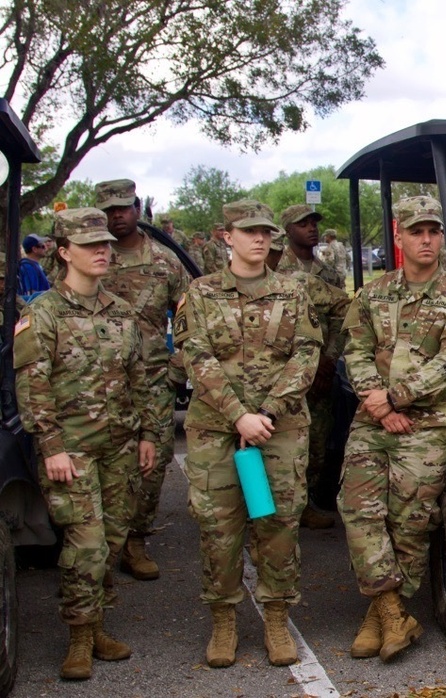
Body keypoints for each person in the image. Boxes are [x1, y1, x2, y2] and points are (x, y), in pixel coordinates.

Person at [338, 195, 446, 663]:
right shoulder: (372, 294)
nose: (426, 239)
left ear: (443, 237)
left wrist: (398, 398)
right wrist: (378, 404)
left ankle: (385, 612)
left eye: (433, 231)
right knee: (358, 508)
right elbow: (356, 350)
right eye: (416, 231)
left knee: (409, 521)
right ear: (399, 237)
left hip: (429, 422)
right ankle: (389, 610)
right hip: (374, 417)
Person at [174, 199, 321, 669]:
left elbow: (307, 355)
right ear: (226, 236)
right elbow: (195, 356)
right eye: (249, 231)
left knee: (278, 524)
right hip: (217, 428)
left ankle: (276, 618)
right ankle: (224, 620)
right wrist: (240, 415)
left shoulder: (293, 291)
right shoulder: (200, 293)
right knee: (219, 527)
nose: (260, 239)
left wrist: (268, 413)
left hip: (280, 427)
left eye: (265, 232)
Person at [14, 207, 157, 680]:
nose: (102, 251)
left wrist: (147, 435)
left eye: (106, 245)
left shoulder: (121, 312)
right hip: (70, 451)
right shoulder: (43, 314)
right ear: (63, 252)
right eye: (91, 245)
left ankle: (96, 625)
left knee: (112, 542)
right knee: (87, 544)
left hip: (119, 447)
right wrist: (51, 445)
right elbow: (33, 388)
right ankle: (78, 636)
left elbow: (140, 378)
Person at [94, 179, 188, 583]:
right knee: (99, 461)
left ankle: (134, 540)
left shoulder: (164, 261)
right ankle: (97, 547)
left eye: (123, 208)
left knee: (154, 460)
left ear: (136, 209)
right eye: (109, 210)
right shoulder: (88, 258)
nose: (118, 215)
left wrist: (177, 367)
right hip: (94, 382)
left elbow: (188, 319)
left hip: (152, 380)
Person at [277, 205, 349, 528]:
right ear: (286, 230)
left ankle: (303, 506)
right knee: (279, 441)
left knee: (316, 441)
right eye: (302, 224)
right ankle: (272, 510)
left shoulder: (329, 274)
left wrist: (329, 359)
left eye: (314, 223)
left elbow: (341, 318)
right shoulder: (275, 268)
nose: (311, 228)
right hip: (281, 370)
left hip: (320, 371)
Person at [18, 233, 52, 302]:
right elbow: (31, 295)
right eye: (42, 246)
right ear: (34, 249)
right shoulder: (29, 267)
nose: (45, 248)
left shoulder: (34, 265)